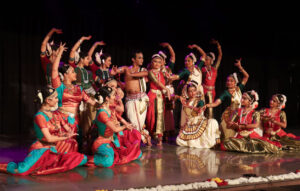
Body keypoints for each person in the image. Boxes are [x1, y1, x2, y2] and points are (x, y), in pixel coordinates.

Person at [0, 87, 87, 175]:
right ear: (48, 101)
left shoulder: (55, 114)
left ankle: (48, 166)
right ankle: (5, 166)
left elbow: (63, 129)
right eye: (56, 98)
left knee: (82, 158)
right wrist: (65, 136)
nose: (58, 100)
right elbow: (48, 138)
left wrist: (69, 132)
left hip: (53, 150)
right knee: (21, 171)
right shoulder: (40, 116)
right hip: (41, 150)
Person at [51, 43, 96, 150]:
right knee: (65, 149)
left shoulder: (79, 89)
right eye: (72, 72)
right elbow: (54, 70)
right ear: (65, 74)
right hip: (62, 121)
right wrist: (61, 51)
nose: (75, 74)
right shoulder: (60, 87)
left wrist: (109, 102)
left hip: (76, 121)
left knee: (76, 148)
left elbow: (91, 102)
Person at [87, 86, 142, 167]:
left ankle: (114, 153)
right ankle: (85, 159)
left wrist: (127, 125)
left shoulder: (109, 108)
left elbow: (119, 118)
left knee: (138, 152)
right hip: (102, 142)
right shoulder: (102, 113)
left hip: (113, 140)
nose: (114, 97)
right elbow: (115, 129)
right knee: (108, 162)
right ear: (107, 98)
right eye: (113, 95)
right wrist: (125, 126)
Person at [114, 50, 151, 145]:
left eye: (142, 58)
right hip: (129, 99)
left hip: (141, 99)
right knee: (132, 122)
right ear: (133, 59)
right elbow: (119, 70)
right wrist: (115, 71)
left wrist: (130, 74)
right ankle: (143, 137)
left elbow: (145, 74)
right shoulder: (127, 69)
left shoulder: (143, 70)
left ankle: (139, 140)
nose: (142, 60)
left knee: (139, 123)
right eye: (139, 57)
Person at [206, 59, 249, 140]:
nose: (229, 82)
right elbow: (216, 103)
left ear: (235, 82)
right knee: (227, 138)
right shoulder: (225, 93)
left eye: (231, 81)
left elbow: (246, 76)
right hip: (229, 116)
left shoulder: (239, 89)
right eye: (228, 81)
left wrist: (240, 67)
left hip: (239, 115)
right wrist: (207, 105)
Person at [176, 83, 220, 148]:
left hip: (198, 122)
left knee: (212, 122)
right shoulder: (185, 101)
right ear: (187, 93)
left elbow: (200, 109)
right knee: (179, 141)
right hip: (189, 124)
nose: (192, 93)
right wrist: (179, 97)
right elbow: (172, 96)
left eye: (194, 90)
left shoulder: (199, 101)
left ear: (196, 91)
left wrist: (190, 107)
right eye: (190, 91)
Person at [189, 40, 223, 118]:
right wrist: (196, 47)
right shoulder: (202, 69)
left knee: (210, 109)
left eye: (207, 60)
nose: (206, 61)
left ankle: (209, 124)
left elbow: (220, 56)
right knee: (202, 107)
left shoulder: (215, 68)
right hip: (204, 90)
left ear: (211, 61)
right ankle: (201, 123)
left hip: (212, 91)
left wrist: (218, 45)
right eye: (205, 59)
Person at [146, 54, 171, 146]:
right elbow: (156, 82)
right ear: (151, 63)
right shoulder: (150, 72)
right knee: (151, 117)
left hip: (160, 96)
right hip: (152, 96)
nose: (157, 64)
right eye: (155, 61)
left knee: (160, 117)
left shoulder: (163, 73)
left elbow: (167, 81)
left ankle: (160, 138)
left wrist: (169, 78)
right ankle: (149, 136)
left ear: (162, 64)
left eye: (159, 62)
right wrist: (166, 89)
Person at [158, 42, 176, 141]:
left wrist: (169, 46)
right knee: (161, 112)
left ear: (164, 61)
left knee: (169, 113)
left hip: (168, 92)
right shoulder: (156, 70)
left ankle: (167, 132)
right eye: (158, 60)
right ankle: (161, 132)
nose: (159, 62)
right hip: (160, 92)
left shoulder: (168, 69)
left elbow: (173, 56)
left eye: (161, 60)